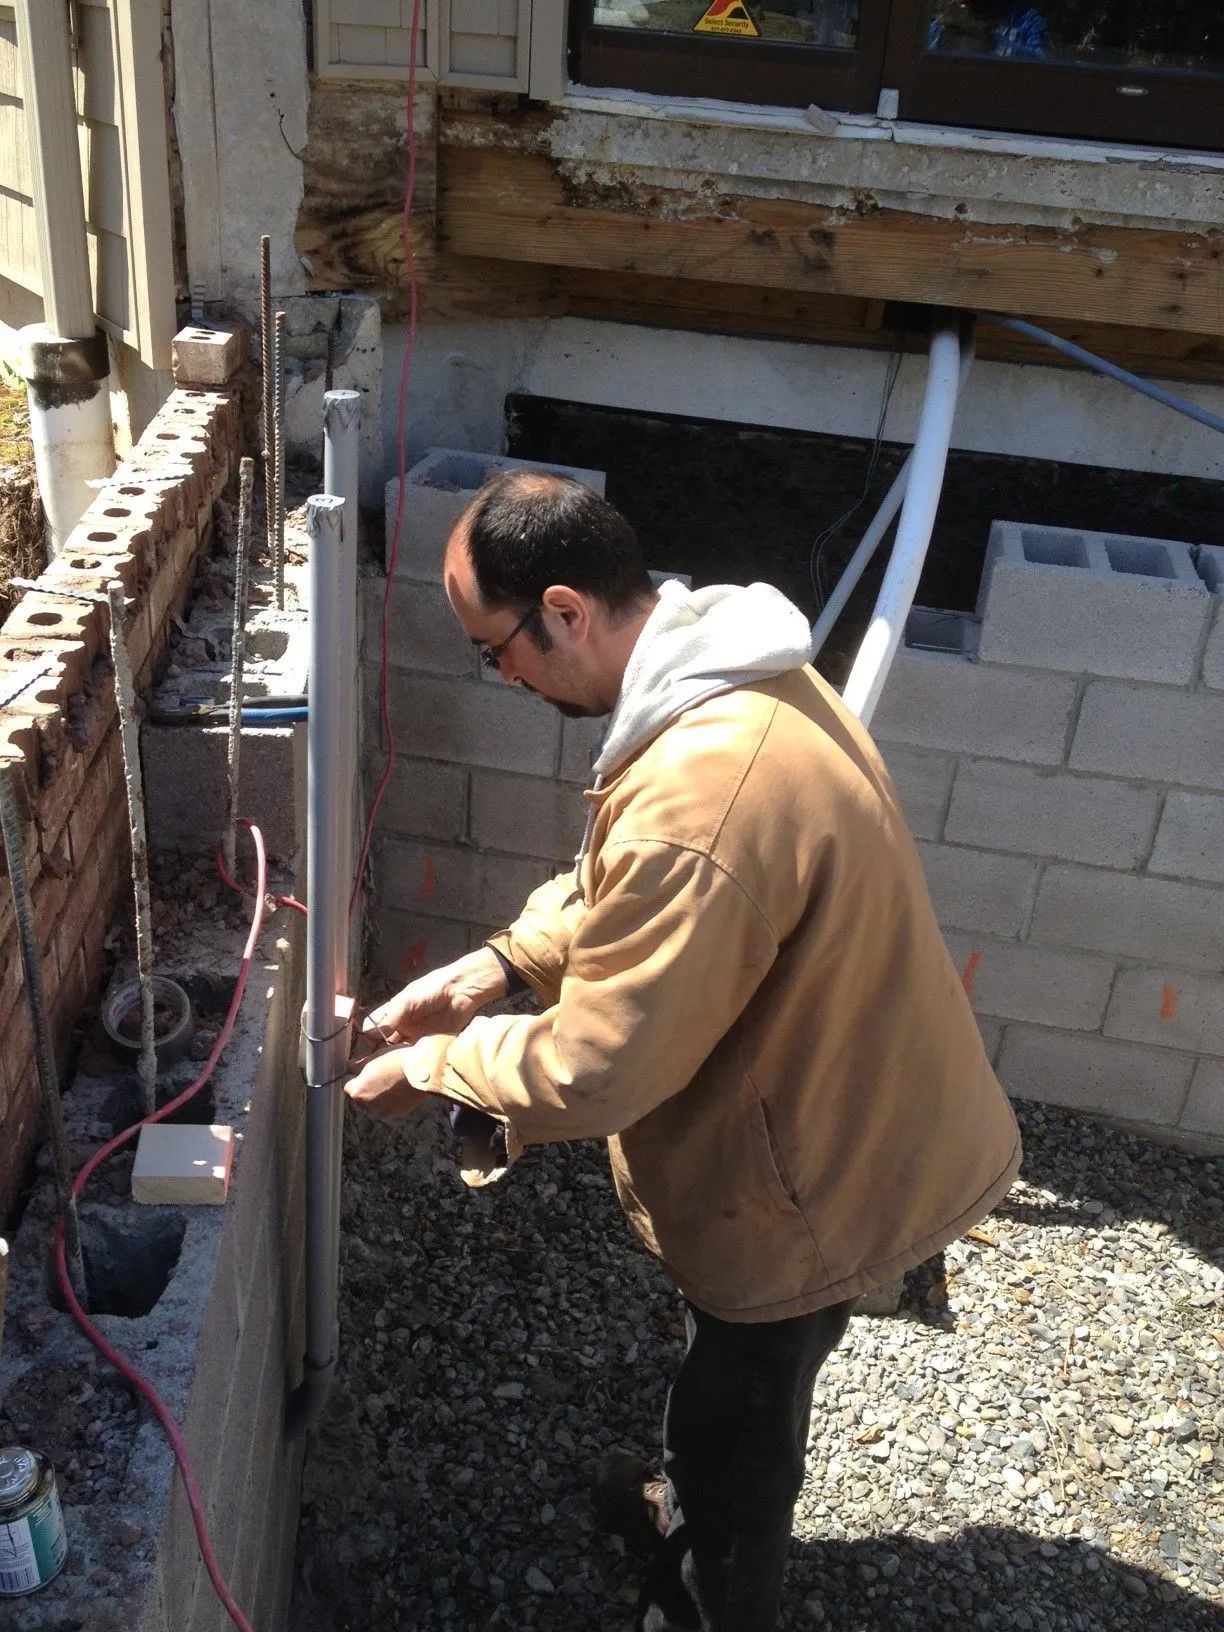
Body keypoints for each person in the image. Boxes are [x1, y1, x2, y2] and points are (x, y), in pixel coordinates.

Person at [345, 471, 1022, 1631]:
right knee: (732, 1395)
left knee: (738, 1438)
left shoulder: (703, 788)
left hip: (812, 1187)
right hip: (858, 1109)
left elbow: (605, 1067)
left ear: (563, 608)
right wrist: (496, 966)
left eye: (493, 648)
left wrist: (442, 1065)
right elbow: (639, 895)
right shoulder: (728, 681)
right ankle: (685, 1499)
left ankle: (711, 1587)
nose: (499, 676)